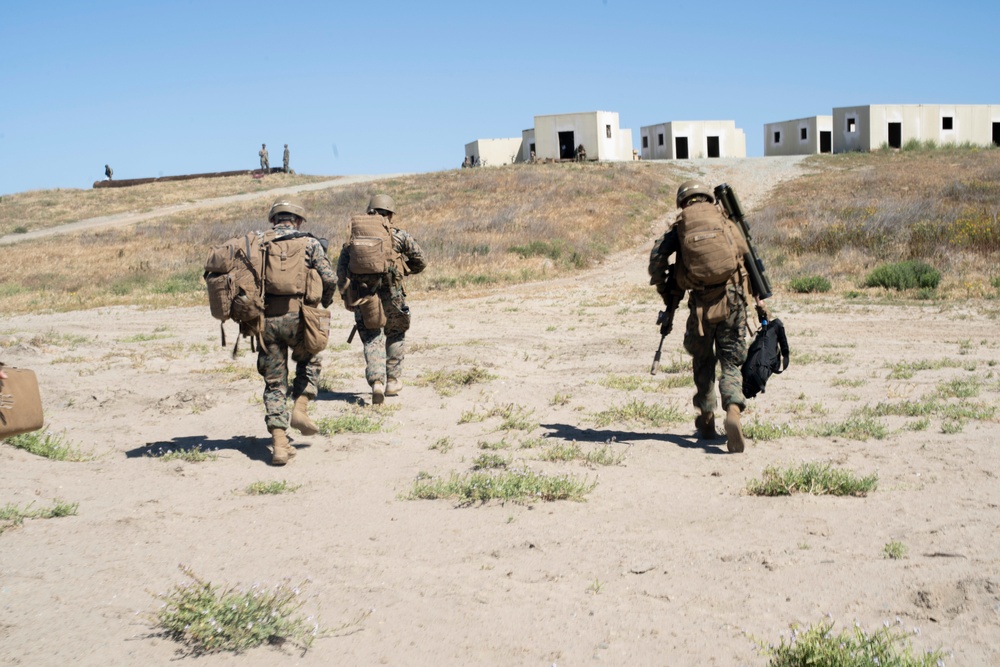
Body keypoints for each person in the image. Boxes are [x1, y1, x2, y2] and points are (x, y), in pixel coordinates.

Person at [647, 180, 763, 453]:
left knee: (703, 359)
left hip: (701, 304)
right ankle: (733, 409)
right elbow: (746, 255)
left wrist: (667, 290)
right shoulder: (724, 221)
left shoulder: (680, 227)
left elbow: (656, 260)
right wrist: (756, 300)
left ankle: (707, 418)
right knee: (731, 360)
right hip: (733, 298)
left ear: (683, 202)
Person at [257, 196, 337, 465]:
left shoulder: (259, 243)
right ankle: (300, 407)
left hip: (267, 322)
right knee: (310, 359)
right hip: (300, 318)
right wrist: (324, 301)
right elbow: (329, 278)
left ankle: (279, 443)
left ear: (273, 220)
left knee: (274, 382)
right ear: (298, 220)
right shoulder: (310, 243)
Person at [337, 194, 426, 404]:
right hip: (393, 294)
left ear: (370, 212)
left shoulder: (353, 238)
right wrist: (404, 270)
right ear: (391, 214)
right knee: (395, 332)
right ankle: (393, 381)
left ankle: (376, 382)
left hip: (364, 296)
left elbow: (341, 270)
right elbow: (420, 261)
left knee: (372, 337)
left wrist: (347, 297)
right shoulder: (399, 236)